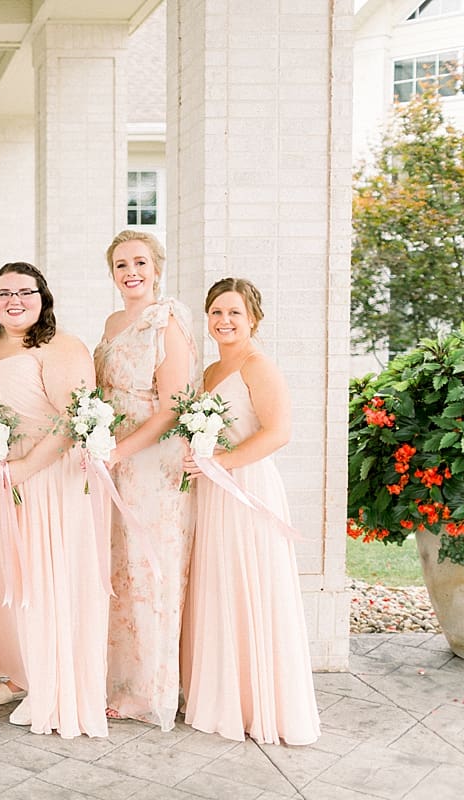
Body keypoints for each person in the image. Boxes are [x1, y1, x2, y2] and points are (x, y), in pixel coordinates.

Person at [0, 262, 108, 738]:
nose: (14, 301)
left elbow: (73, 420)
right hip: (0, 478)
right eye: (4, 293)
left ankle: (56, 685)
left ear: (43, 297)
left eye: (25, 292)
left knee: (49, 579)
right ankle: (21, 671)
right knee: (13, 579)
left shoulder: (62, 346)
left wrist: (28, 468)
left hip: (48, 476)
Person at [180, 277, 320, 746]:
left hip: (246, 488)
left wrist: (220, 462)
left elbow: (279, 432)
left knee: (248, 584)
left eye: (234, 312)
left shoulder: (258, 366)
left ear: (253, 318)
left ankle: (258, 702)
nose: (224, 321)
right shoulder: (209, 373)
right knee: (219, 585)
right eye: (217, 312)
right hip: (213, 492)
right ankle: (225, 697)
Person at [94, 230, 199, 729]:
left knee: (146, 568)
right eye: (121, 264)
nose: (131, 271)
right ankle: (117, 678)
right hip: (110, 457)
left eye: (139, 262)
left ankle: (149, 690)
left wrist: (119, 451)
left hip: (150, 461)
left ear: (157, 268)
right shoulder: (114, 321)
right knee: (116, 568)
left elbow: (173, 408)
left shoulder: (168, 321)